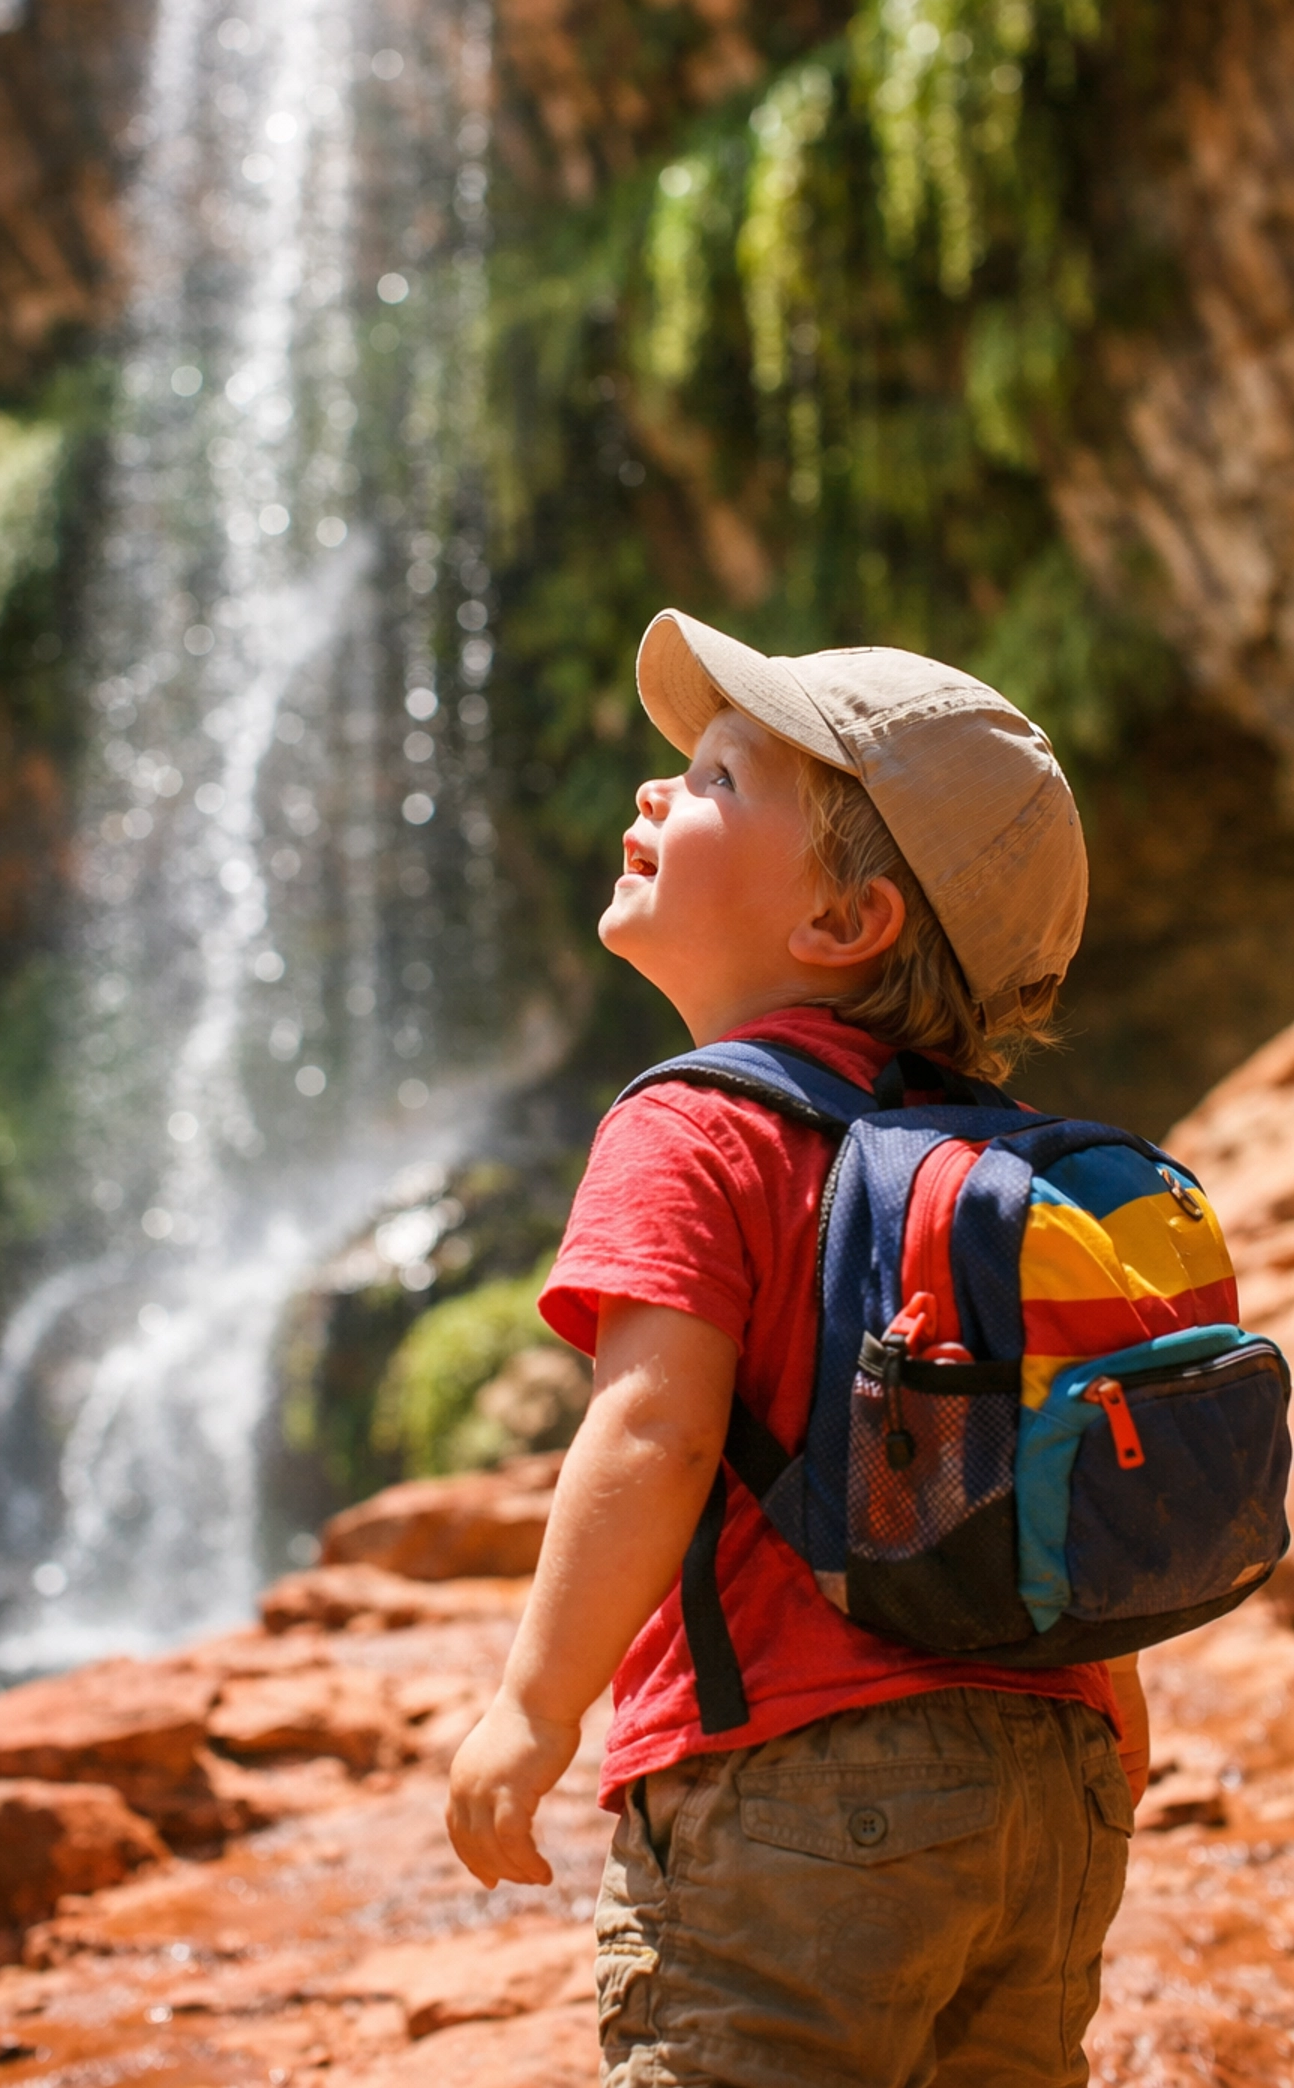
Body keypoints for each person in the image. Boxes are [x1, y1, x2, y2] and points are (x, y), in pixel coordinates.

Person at [447, 611, 1150, 2087]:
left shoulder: (695, 1122)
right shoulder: (1015, 1173)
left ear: (843, 925)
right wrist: (1105, 1730)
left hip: (796, 1794)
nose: (650, 792)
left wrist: (532, 1706)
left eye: (709, 777)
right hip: (1053, 1788)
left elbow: (652, 1433)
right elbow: (1063, 1477)